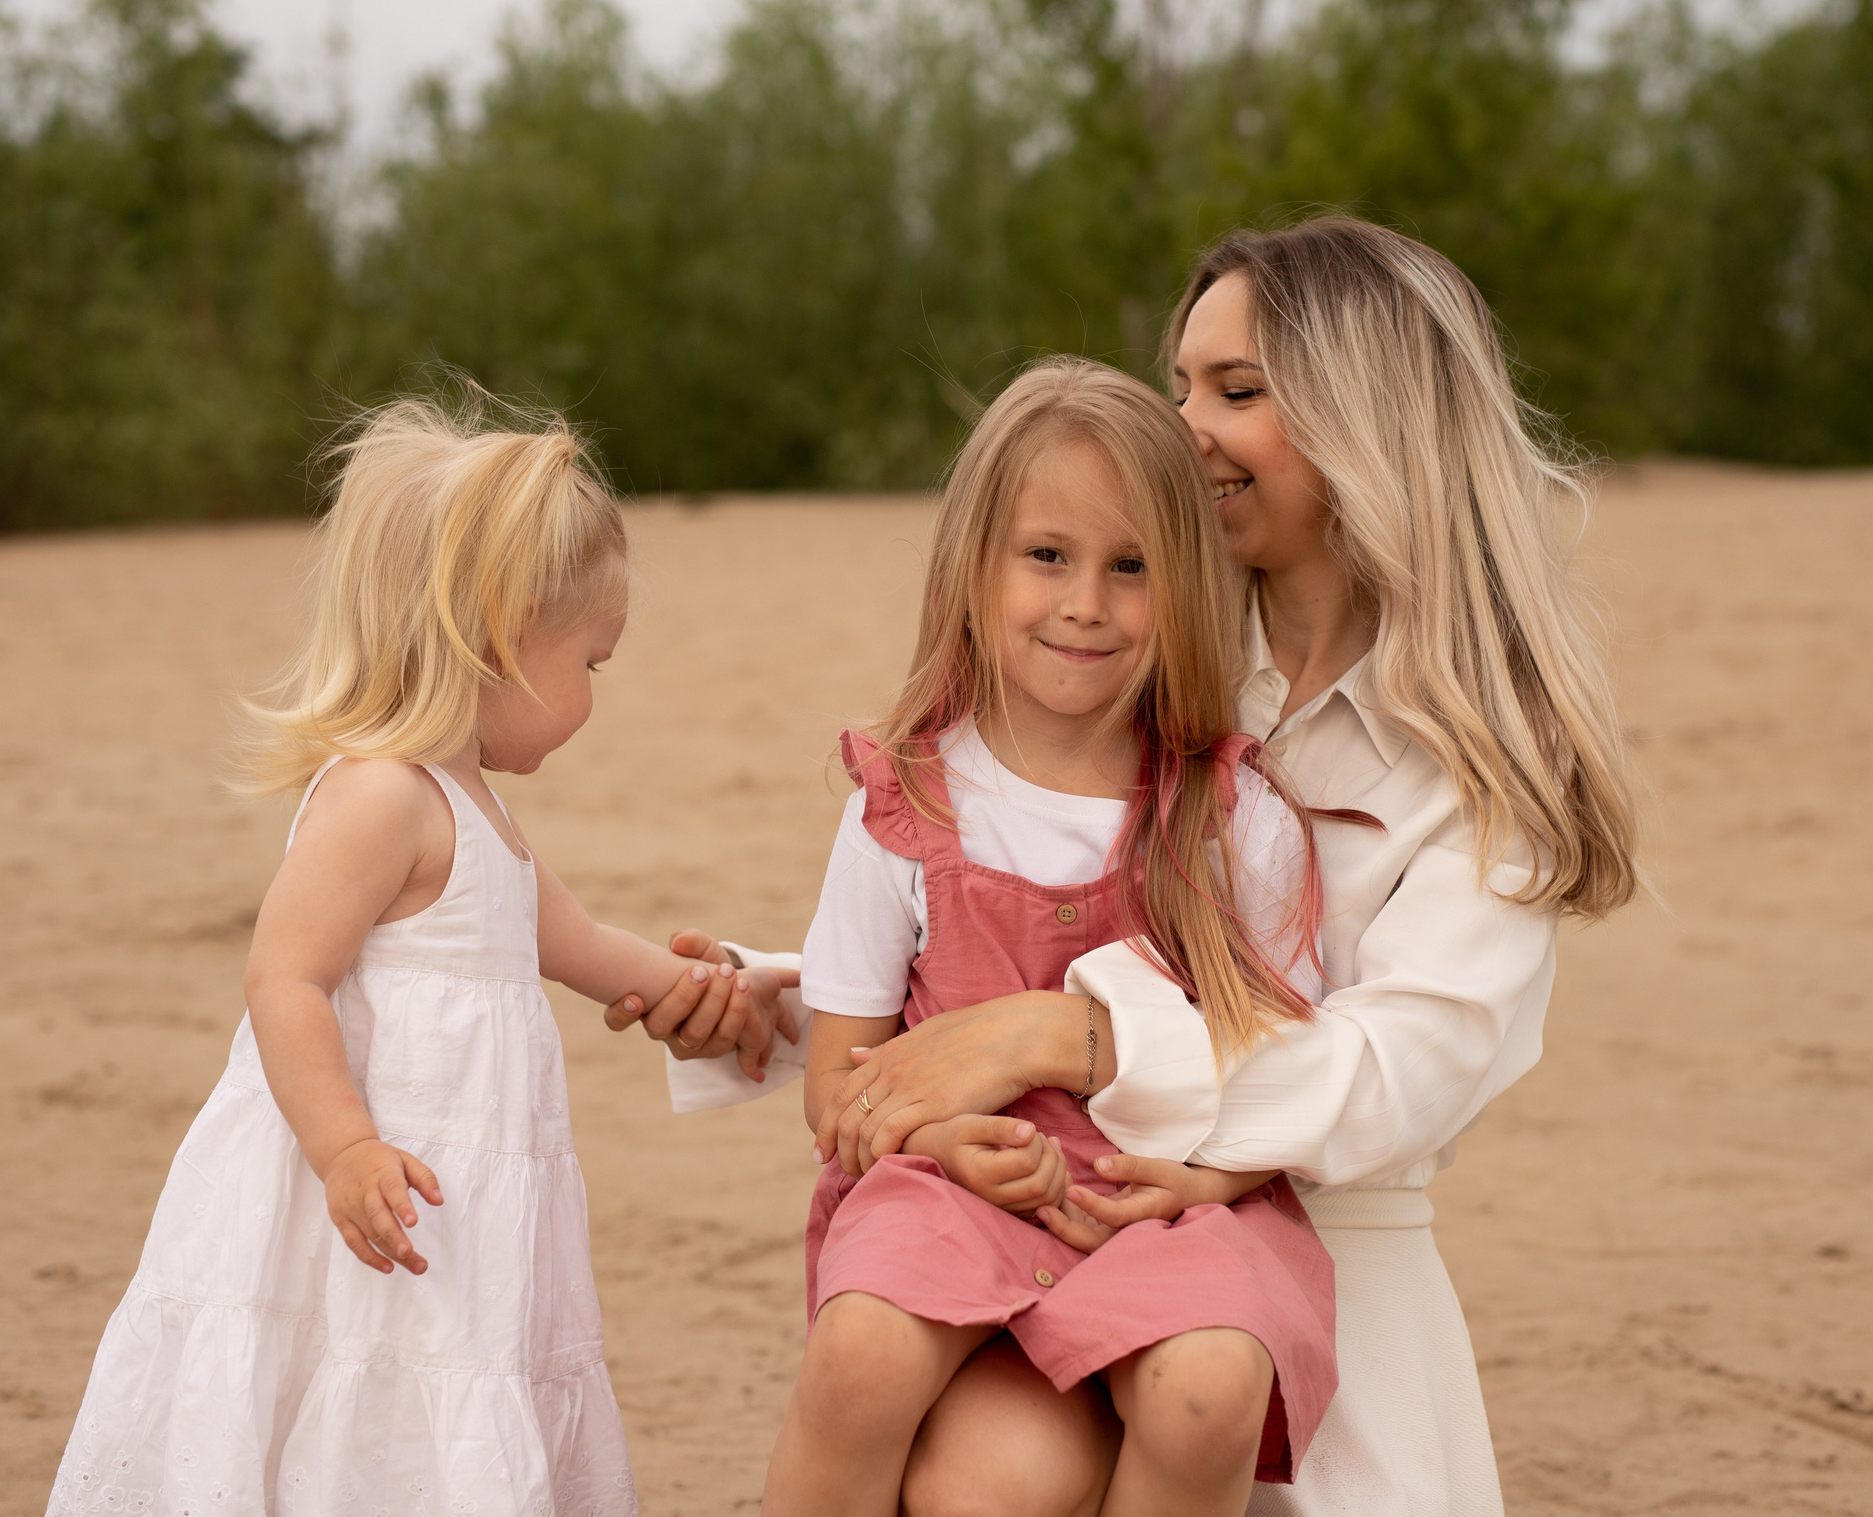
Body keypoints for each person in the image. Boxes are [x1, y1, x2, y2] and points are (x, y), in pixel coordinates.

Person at [645, 216, 1636, 1515]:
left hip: (1292, 1275)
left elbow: (1390, 1073)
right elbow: (988, 901)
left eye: (1236, 390)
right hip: (1043, 1216)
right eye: (1178, 387)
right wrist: (784, 1000)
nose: (1185, 427)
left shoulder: (1488, 763)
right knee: (976, 1472)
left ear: (1366, 417)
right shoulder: (1155, 639)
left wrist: (1062, 1035)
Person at [45, 394, 795, 1517]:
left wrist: (719, 989)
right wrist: (346, 1146)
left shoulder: (473, 808)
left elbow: (582, 947)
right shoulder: (380, 797)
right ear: (492, 635)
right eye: (591, 660)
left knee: (433, 1397)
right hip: (366, 1191)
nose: (597, 694)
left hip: (456, 1216)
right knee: (350, 1384)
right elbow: (283, 979)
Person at [761, 358, 1340, 1517]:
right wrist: (938, 1139)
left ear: (1184, 582)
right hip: (951, 1192)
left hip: (1164, 1201)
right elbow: (839, 1081)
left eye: (1130, 567)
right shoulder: (905, 806)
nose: (1086, 603)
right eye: (1047, 556)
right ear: (973, 567)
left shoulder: (1236, 817)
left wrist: (1207, 1175)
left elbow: (1285, 1066)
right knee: (863, 1351)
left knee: (1209, 1387)